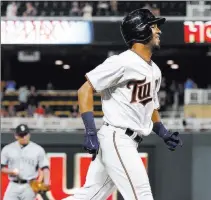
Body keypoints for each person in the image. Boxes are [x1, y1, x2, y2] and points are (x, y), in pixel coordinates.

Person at [64, 8, 182, 200]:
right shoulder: (122, 62)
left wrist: (163, 131)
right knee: (141, 195)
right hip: (117, 137)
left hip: (126, 141)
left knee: (89, 196)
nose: (159, 31)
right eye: (153, 27)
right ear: (141, 30)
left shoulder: (155, 70)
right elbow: (85, 90)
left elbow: (150, 105)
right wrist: (90, 131)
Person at [1, 124, 50, 200]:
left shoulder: (38, 149)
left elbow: (45, 168)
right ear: (16, 136)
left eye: (25, 134)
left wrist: (46, 183)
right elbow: (1, 168)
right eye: (21, 135)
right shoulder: (8, 149)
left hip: (29, 185)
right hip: (13, 184)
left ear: (29, 134)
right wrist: (11, 171)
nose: (24, 137)